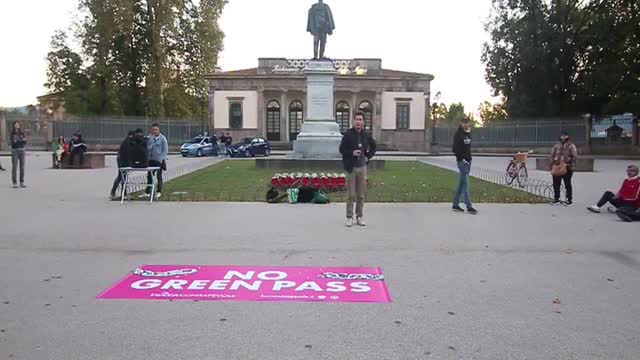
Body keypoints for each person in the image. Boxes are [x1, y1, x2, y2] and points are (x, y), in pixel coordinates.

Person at [339, 110, 376, 227]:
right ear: (353, 121)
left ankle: (359, 216)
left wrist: (368, 156)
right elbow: (341, 150)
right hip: (351, 168)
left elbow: (374, 146)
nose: (358, 122)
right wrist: (352, 152)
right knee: (351, 194)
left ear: (363, 122)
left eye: (360, 120)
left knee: (361, 194)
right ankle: (349, 217)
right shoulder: (348, 134)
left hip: (362, 167)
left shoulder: (366, 135)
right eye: (357, 120)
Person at [452, 117, 478, 214]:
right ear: (461, 123)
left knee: (461, 184)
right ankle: (469, 206)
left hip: (468, 161)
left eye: (467, 123)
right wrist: (462, 159)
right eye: (464, 123)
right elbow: (455, 149)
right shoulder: (458, 134)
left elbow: (467, 147)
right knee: (466, 184)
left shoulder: (468, 134)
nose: (466, 125)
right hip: (462, 162)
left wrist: (469, 159)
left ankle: (455, 204)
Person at [550, 131, 578, 206]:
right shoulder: (556, 146)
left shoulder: (571, 146)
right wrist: (552, 164)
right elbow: (552, 155)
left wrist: (569, 163)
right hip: (557, 167)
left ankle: (569, 200)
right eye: (562, 136)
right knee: (556, 183)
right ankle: (556, 198)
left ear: (567, 137)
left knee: (567, 184)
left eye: (564, 136)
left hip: (567, 167)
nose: (563, 137)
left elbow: (574, 156)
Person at [142, 123, 168, 199]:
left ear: (159, 130)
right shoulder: (150, 138)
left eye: (156, 129)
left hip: (159, 161)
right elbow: (147, 148)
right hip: (150, 160)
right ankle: (147, 191)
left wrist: (161, 159)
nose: (155, 131)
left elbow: (165, 151)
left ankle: (158, 191)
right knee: (149, 176)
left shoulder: (163, 138)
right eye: (153, 130)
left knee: (159, 176)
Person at [110, 131, 135, 200]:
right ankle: (114, 193)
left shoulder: (130, 141)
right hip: (121, 160)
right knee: (121, 176)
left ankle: (123, 193)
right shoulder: (127, 142)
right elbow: (127, 154)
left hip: (123, 159)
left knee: (123, 176)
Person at [10, 121, 27, 188]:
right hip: (15, 151)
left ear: (19, 125)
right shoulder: (12, 133)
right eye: (16, 124)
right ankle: (14, 182)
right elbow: (13, 143)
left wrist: (18, 141)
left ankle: (22, 182)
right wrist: (20, 141)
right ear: (14, 125)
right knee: (15, 167)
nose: (17, 125)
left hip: (22, 151)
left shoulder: (22, 133)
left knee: (22, 167)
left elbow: (25, 142)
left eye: (18, 124)